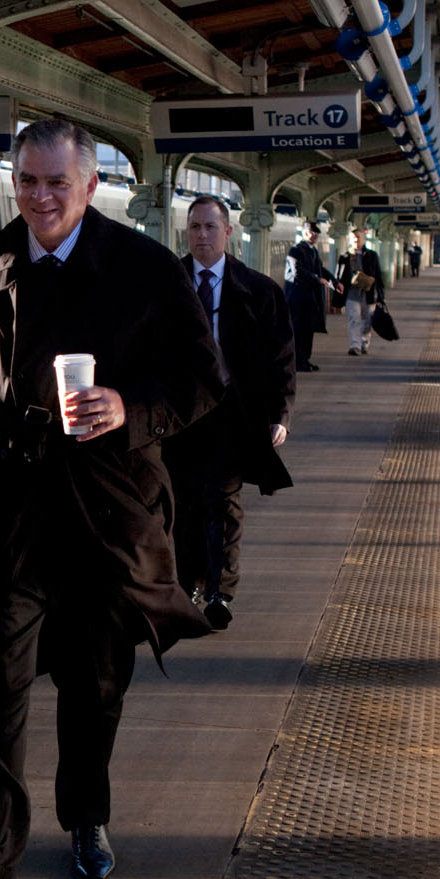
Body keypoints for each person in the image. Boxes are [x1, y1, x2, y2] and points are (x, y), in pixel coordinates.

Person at [0, 119, 222, 879]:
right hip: (5, 515)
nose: (41, 197)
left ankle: (86, 817)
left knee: (94, 686)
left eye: (57, 182)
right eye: (28, 181)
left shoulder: (146, 269)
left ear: (90, 185)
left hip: (104, 514)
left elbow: (202, 380)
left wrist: (130, 407)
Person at [167, 196, 295, 632]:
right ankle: (187, 586)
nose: (201, 236)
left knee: (221, 502)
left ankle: (220, 591)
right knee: (182, 503)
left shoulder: (260, 291)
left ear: (229, 232)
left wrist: (280, 413)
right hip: (180, 417)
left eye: (209, 227)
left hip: (231, 415)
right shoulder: (169, 285)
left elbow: (282, 359)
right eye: (194, 228)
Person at [284, 219, 339, 372]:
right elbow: (297, 271)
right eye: (311, 231)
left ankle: (305, 360)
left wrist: (334, 281)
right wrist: (316, 279)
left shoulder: (313, 251)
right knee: (299, 332)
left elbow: (320, 269)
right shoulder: (296, 250)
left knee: (308, 332)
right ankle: (298, 362)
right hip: (298, 300)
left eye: (316, 232)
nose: (314, 235)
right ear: (304, 232)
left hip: (310, 300)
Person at [339, 225, 386, 356]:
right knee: (354, 319)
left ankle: (364, 343)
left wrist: (381, 296)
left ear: (364, 239)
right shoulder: (345, 256)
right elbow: (340, 276)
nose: (356, 240)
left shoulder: (371, 255)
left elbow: (378, 276)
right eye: (354, 238)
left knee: (367, 321)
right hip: (352, 294)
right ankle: (355, 346)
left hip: (369, 294)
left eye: (358, 238)